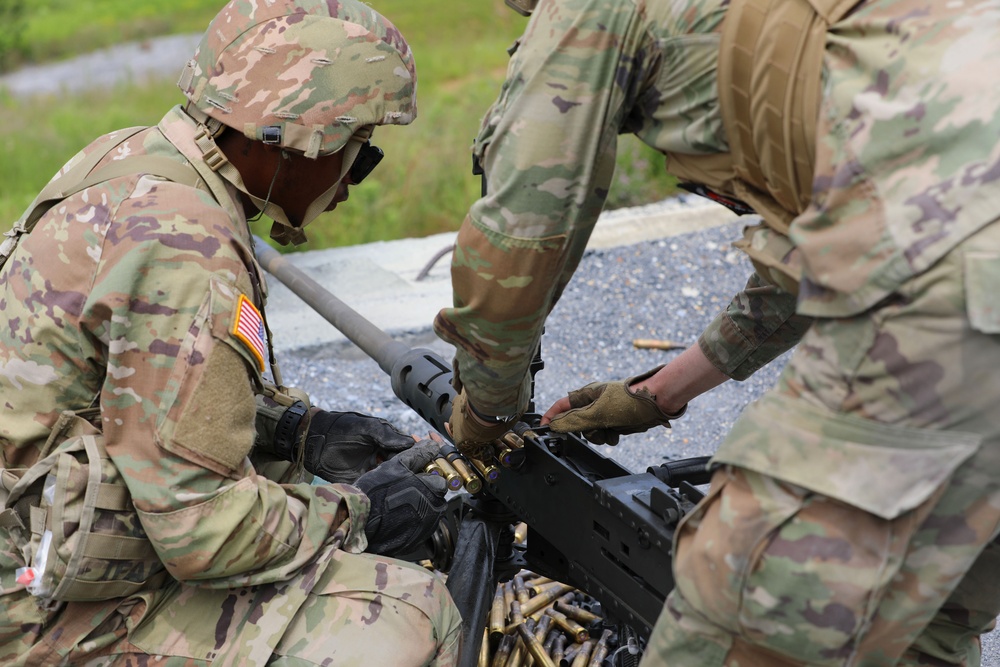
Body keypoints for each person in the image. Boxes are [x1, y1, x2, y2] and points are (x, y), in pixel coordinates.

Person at [434, 0, 1000, 664]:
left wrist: (487, 407)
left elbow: (520, 237)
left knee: (736, 620)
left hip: (955, 273)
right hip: (963, 255)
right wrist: (660, 392)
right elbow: (814, 245)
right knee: (916, 618)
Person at [0, 1, 461, 665]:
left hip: (29, 535)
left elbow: (140, 379)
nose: (351, 187)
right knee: (413, 612)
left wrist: (298, 433)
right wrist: (355, 514)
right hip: (38, 612)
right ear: (301, 139)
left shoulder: (132, 159)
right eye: (358, 156)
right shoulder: (189, 247)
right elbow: (200, 531)